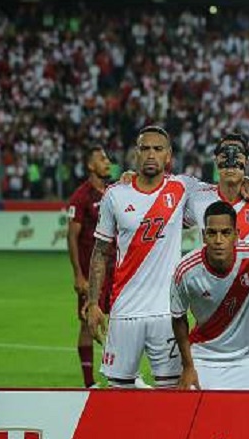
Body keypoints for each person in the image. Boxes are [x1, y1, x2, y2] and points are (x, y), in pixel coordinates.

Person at [86, 125, 202, 388]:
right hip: (124, 311)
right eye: (145, 148)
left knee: (172, 392)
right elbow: (100, 252)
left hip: (168, 314)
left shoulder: (182, 188)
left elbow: (224, 191)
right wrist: (93, 303)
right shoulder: (115, 194)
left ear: (168, 155)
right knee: (119, 393)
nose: (151, 154)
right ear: (135, 154)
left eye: (158, 149)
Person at [171, 201, 249, 390]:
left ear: (237, 235)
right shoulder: (186, 270)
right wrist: (188, 366)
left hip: (248, 358)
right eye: (212, 233)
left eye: (225, 233)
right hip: (204, 355)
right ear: (203, 236)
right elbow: (178, 318)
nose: (218, 240)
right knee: (198, 416)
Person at [66, 144, 114, 388]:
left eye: (107, 158)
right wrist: (78, 275)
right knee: (87, 323)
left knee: (119, 319)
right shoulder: (81, 196)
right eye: (101, 159)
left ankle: (121, 374)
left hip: (115, 271)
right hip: (91, 273)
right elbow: (72, 236)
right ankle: (89, 383)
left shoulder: (112, 191)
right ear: (90, 165)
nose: (107, 162)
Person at [188, 133, 249, 242]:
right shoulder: (197, 198)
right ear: (216, 161)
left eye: (237, 156)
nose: (230, 164)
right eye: (224, 156)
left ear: (247, 163)